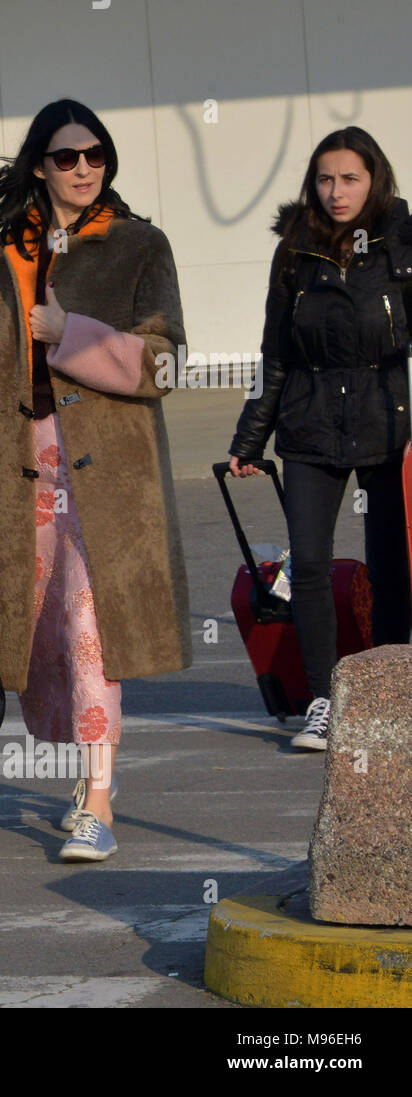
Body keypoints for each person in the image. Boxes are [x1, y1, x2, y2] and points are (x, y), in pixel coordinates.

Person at [0, 99, 190, 862]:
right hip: (20, 473)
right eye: (67, 157)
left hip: (111, 474)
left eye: (96, 155)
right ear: (39, 167)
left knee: (93, 631)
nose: (84, 168)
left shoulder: (140, 245)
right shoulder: (0, 254)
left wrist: (71, 336)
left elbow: (168, 363)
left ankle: (101, 797)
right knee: (42, 631)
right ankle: (81, 785)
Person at [227, 127, 412, 750]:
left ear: (375, 179)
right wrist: (251, 437)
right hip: (307, 422)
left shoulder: (402, 245)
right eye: (326, 179)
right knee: (307, 565)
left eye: (351, 179)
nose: (337, 192)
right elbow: (275, 349)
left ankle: (390, 698)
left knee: (393, 567)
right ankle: (323, 702)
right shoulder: (295, 250)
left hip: (388, 422)